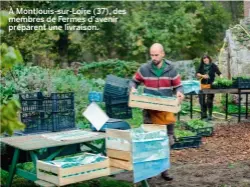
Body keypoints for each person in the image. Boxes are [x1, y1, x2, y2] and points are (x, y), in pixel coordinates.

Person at [130, 43, 185, 181]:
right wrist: (133, 89)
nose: (154, 57)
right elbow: (133, 82)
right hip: (149, 111)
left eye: (156, 55)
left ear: (163, 54)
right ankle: (148, 172)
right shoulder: (144, 69)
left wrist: (179, 93)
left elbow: (179, 86)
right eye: (152, 55)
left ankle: (164, 170)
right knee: (150, 140)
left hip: (166, 110)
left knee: (167, 140)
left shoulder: (171, 69)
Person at [196, 55, 222, 120]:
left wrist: (221, 79)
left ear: (209, 59)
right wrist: (203, 75)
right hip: (202, 85)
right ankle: (203, 115)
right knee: (202, 100)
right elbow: (197, 73)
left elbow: (219, 73)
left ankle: (210, 116)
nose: (205, 61)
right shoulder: (201, 65)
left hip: (211, 85)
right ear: (202, 60)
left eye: (206, 59)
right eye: (204, 60)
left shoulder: (213, 65)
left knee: (209, 100)